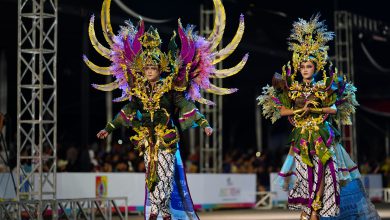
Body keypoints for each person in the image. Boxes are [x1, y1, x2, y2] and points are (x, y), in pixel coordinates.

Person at [84, 0, 247, 219]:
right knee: (151, 179)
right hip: (146, 140)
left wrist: (204, 124)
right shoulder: (138, 88)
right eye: (147, 67)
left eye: (153, 67)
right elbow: (130, 108)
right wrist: (109, 128)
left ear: (160, 68)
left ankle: (157, 212)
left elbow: (185, 105)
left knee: (165, 176)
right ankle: (162, 213)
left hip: (167, 139)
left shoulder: (170, 87)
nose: (150, 70)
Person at [257, 14, 379, 220]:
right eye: (303, 67)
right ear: (298, 68)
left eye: (309, 67)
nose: (305, 70)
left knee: (325, 171)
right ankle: (308, 208)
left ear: (316, 68)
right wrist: (298, 112)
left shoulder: (323, 87)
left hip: (323, 135)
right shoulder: (292, 89)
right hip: (301, 137)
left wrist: (313, 110)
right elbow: (282, 111)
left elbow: (332, 109)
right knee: (305, 174)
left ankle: (316, 208)